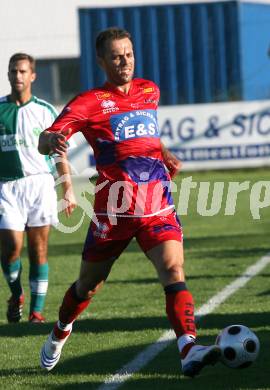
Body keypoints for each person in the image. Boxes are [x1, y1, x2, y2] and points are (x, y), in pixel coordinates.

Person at [38, 27, 221, 376]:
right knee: (88, 285)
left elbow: (146, 135)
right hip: (115, 208)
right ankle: (61, 329)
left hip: (157, 202)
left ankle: (188, 350)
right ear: (102, 61)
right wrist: (50, 142)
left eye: (129, 54)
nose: (125, 61)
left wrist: (164, 153)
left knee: (173, 271)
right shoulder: (88, 102)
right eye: (117, 56)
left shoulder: (149, 90)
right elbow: (49, 137)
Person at [0, 53, 76, 323]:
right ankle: (16, 293)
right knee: (10, 247)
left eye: (22, 71)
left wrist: (67, 187)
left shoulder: (45, 110)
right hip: (7, 187)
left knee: (38, 249)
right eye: (13, 71)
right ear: (8, 75)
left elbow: (59, 153)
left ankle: (36, 312)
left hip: (40, 185)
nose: (17, 76)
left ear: (32, 75)